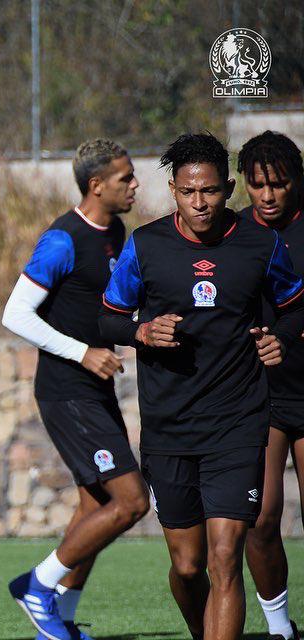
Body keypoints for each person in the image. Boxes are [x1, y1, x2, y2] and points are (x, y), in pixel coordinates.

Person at [99, 132, 304, 640]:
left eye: (210, 192)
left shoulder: (261, 244)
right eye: (189, 192)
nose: (199, 203)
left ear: (228, 188)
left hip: (239, 424)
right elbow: (106, 318)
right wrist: (141, 332)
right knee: (189, 567)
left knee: (224, 557)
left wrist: (279, 336)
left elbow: (296, 303)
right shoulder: (144, 246)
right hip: (171, 427)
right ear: (172, 189)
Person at [4, 139, 149, 640]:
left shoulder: (116, 232)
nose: (135, 185)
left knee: (94, 507)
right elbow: (15, 314)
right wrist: (82, 352)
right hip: (68, 390)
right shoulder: (63, 239)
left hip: (94, 389)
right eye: (125, 178)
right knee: (131, 502)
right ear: (96, 186)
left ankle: (60, 621)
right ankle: (37, 586)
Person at [237, 130, 304, 640]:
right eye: (257, 184)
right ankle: (280, 629)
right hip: (261, 398)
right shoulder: (233, 235)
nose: (268, 195)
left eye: (278, 184)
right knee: (258, 520)